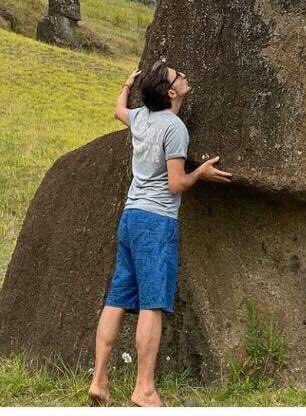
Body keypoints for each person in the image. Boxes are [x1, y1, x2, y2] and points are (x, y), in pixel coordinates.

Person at [88, 60, 233, 407]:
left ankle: (99, 381)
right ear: (171, 93)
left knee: (117, 299)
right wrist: (200, 174)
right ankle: (144, 389)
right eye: (177, 76)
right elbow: (175, 183)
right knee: (152, 304)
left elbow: (118, 110)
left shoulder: (141, 117)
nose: (184, 76)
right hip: (156, 222)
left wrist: (127, 84)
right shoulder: (174, 128)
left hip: (130, 218)